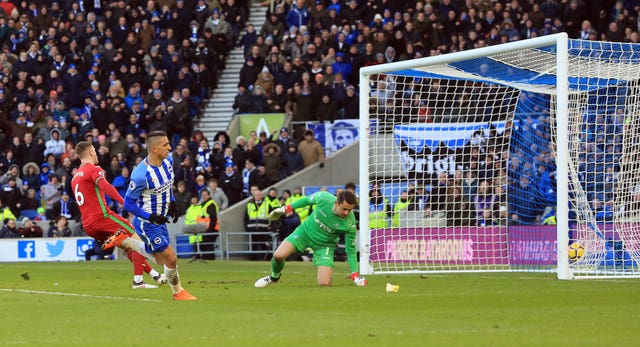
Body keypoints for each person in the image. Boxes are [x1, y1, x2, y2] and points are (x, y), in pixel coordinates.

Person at [71, 141, 167, 290]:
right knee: (137, 241)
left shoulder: (75, 176)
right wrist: (125, 203)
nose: (96, 153)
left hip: (89, 226)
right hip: (102, 218)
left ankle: (155, 275)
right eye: (95, 150)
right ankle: (138, 282)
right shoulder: (94, 169)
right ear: (91, 152)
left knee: (129, 247)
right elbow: (106, 186)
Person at [122, 131, 197, 300]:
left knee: (162, 261)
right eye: (165, 145)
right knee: (171, 258)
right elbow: (128, 204)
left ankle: (127, 242)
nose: (170, 148)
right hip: (146, 223)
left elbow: (168, 185)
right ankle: (178, 292)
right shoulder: (140, 175)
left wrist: (172, 203)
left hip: (161, 220)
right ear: (154, 149)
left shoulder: (168, 162)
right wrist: (150, 217)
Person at [254, 190, 367, 288]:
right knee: (278, 256)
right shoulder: (323, 198)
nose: (347, 213)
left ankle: (327, 269)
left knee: (324, 284)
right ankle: (274, 277)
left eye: (350, 210)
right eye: (345, 209)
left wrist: (355, 275)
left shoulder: (350, 223)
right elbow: (306, 201)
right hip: (304, 233)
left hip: (324, 245)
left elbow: (350, 250)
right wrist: (285, 209)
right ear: (337, 203)